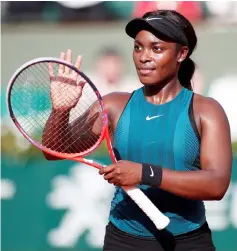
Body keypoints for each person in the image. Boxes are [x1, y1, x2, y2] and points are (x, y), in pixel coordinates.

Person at [43, 10, 232, 251]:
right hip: (123, 241)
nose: (143, 57)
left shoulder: (207, 110)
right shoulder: (112, 105)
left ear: (181, 54)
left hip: (189, 242)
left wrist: (145, 173)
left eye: (156, 49)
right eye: (138, 47)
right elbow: (54, 151)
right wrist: (60, 111)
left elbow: (216, 185)